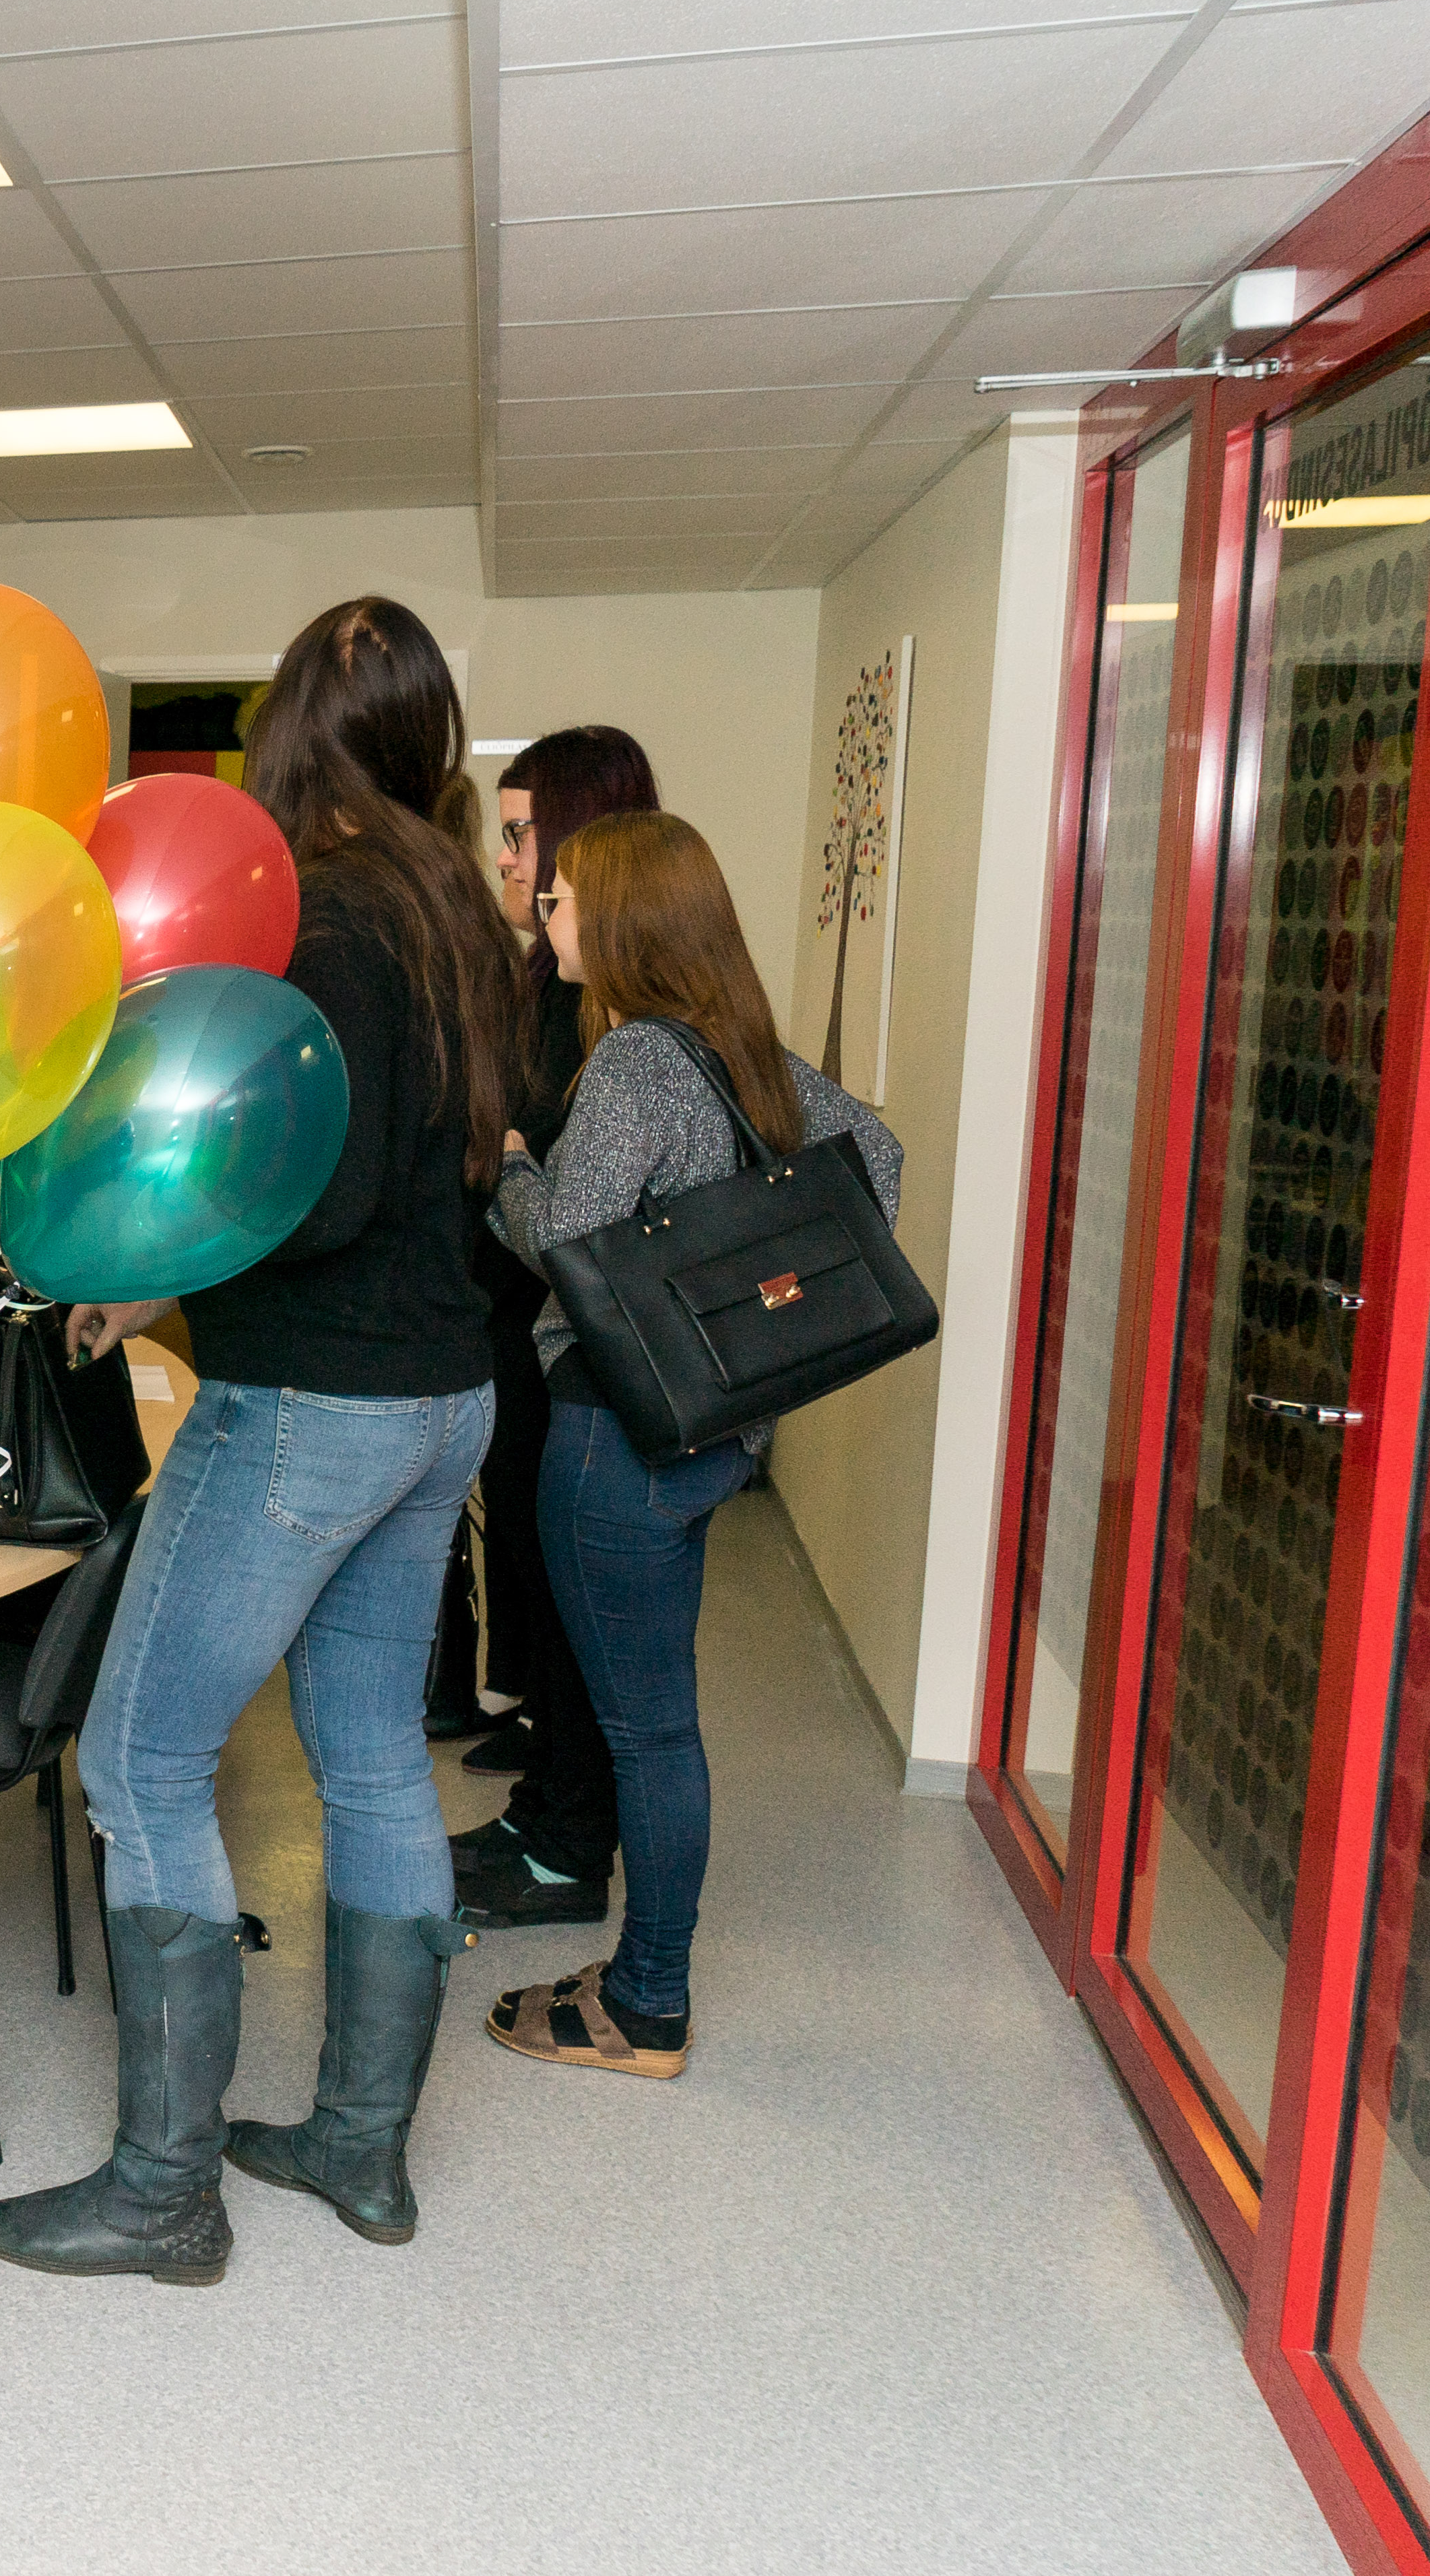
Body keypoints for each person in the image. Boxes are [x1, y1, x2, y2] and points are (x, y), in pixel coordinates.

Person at [0, 595, 517, 2281]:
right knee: (373, 1754)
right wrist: (159, 1288)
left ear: (286, 735)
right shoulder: (458, 910)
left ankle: (163, 2188)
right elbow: (406, 1185)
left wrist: (162, 1252)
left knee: (140, 1758)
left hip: (312, 1408)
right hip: (442, 1400)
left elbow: (317, 1197)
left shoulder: (328, 919)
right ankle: (360, 2143)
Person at [481, 812, 903, 2079]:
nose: (545, 913)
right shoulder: (744, 1051)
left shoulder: (630, 1064)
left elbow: (570, 1239)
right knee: (659, 1722)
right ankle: (644, 1984)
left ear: (620, 921)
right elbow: (877, 1157)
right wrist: (756, 1283)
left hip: (617, 1439)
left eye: (561, 898)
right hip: (715, 1431)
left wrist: (510, 1171)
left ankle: (647, 2004)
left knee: (649, 1735)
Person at [446, 730, 663, 1939]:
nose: (508, 858)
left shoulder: (619, 1032)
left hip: (571, 1361)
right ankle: (544, 1809)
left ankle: (570, 1847)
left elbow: (570, 1222)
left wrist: (512, 1163)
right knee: (537, 1588)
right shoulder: (549, 991)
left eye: (524, 835)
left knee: (573, 1607)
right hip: (518, 1344)